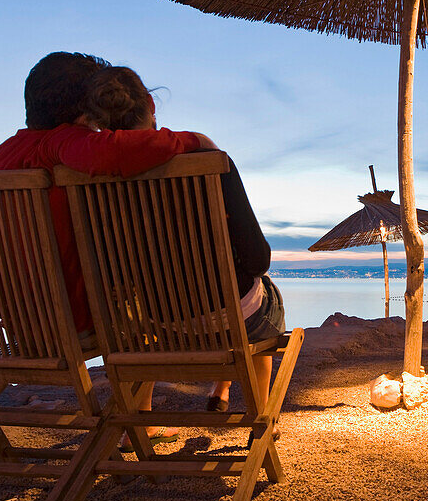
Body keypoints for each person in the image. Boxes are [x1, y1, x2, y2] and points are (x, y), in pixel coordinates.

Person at [0, 52, 211, 448]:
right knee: (154, 308)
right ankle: (139, 423)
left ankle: (140, 421)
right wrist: (194, 140)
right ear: (83, 106)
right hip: (71, 322)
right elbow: (116, 152)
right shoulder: (61, 142)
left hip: (17, 322)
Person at [81, 66, 286, 427]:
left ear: (98, 123)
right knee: (267, 297)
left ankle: (192, 401)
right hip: (228, 317)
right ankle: (261, 421)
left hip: (161, 323)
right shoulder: (206, 160)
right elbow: (258, 258)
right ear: (149, 103)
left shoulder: (92, 180)